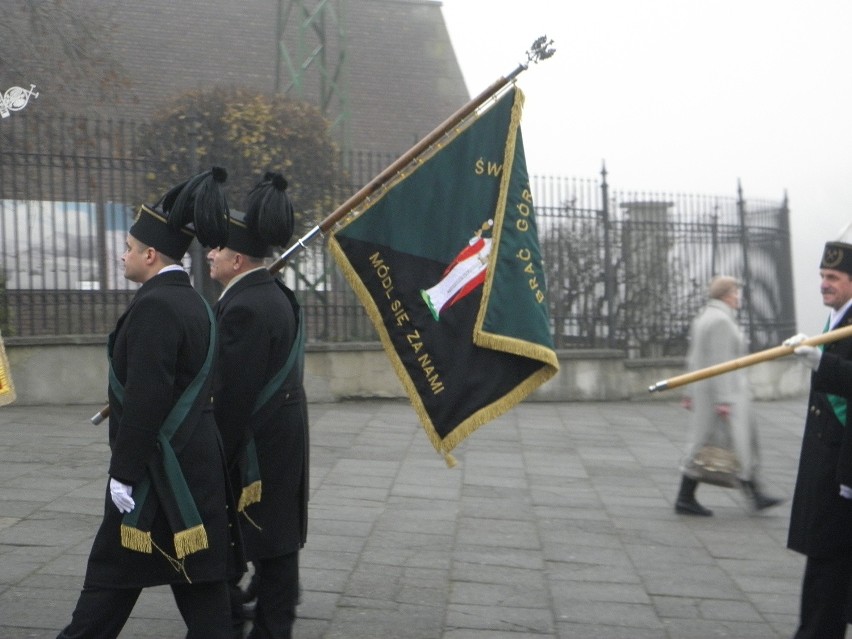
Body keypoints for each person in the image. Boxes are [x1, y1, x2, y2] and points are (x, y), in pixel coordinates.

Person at [57, 168, 245, 639]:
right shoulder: (196, 302)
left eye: (127, 247)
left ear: (150, 253)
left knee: (106, 592)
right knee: (202, 596)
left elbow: (147, 399)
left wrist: (123, 472)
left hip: (158, 477)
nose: (122, 255)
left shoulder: (158, 306)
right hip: (194, 468)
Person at [207, 172, 308, 639]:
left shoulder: (245, 307)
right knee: (277, 535)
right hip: (283, 435)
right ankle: (270, 615)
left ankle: (269, 624)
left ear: (238, 259)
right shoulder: (275, 293)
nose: (210, 254)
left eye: (217, 250)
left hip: (259, 442)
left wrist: (212, 453)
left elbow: (232, 395)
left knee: (264, 537)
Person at [784, 230, 852, 639]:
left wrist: (818, 362)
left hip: (843, 468)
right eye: (823, 275)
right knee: (827, 562)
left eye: (835, 277)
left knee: (830, 564)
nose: (825, 283)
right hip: (828, 464)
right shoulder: (838, 320)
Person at [675, 275, 782, 516]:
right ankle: (687, 498)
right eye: (735, 292)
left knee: (718, 443)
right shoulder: (722, 321)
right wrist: (724, 400)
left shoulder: (705, 316)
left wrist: (689, 391)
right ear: (726, 294)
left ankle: (754, 493)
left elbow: (694, 357)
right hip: (725, 393)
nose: (738, 297)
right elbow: (720, 362)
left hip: (706, 391)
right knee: (719, 444)